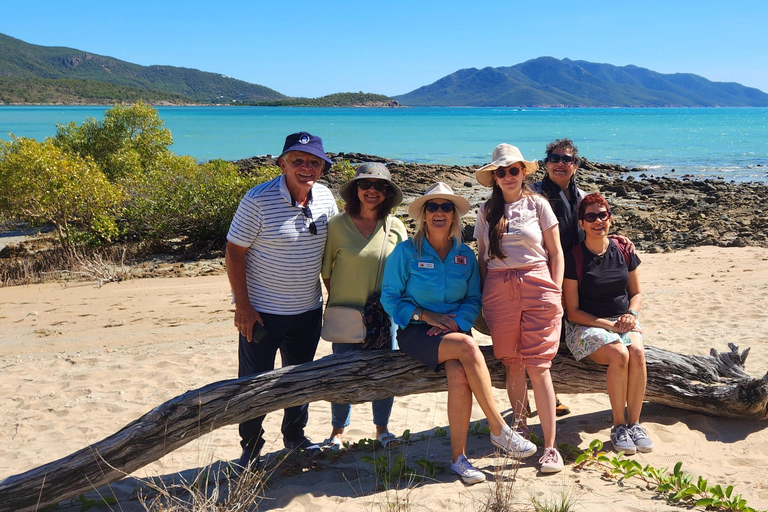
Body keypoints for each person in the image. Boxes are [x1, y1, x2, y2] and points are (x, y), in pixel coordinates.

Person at [381, 182, 537, 485]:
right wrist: (425, 315)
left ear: (454, 216)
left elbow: (473, 299)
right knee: (467, 347)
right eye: (433, 207)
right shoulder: (404, 252)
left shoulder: (465, 254)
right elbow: (390, 297)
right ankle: (498, 429)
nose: (439, 212)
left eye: (446, 207)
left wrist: (457, 321)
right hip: (416, 332)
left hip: (455, 332)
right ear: (423, 215)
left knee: (459, 377)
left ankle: (459, 460)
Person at [226, 131, 338, 468]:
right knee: (253, 384)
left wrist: (334, 297)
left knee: (299, 379)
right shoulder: (257, 200)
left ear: (322, 167)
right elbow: (234, 252)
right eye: (298, 160)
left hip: (307, 310)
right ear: (282, 163)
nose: (306, 167)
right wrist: (243, 307)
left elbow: (328, 255)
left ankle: (294, 437)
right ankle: (251, 446)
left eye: (314, 162)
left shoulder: (325, 199)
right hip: (262, 313)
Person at [474, 144, 565, 474]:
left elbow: (556, 253)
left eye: (514, 169)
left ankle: (551, 447)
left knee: (539, 365)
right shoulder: (486, 211)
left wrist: (555, 290)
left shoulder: (538, 204)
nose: (508, 176)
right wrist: (484, 297)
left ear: (524, 172)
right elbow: (483, 258)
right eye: (502, 171)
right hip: (499, 289)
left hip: (538, 284)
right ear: (494, 178)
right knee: (512, 362)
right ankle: (521, 429)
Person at [321, 163, 407, 450]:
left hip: (384, 316)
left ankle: (382, 429)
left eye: (380, 186)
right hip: (346, 313)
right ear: (355, 189)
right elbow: (327, 272)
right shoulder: (337, 224)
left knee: (383, 372)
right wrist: (344, 302)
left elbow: (404, 272)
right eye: (365, 184)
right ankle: (337, 431)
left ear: (388, 193)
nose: (372, 190)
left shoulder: (395, 226)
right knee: (341, 373)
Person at [562, 193, 653, 454]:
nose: (597, 221)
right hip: (586, 325)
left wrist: (631, 315)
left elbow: (636, 293)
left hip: (622, 321)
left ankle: (635, 424)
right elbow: (573, 311)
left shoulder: (624, 250)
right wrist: (608, 326)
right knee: (618, 353)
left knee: (636, 352)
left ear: (610, 219)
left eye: (602, 215)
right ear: (581, 224)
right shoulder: (575, 257)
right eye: (590, 217)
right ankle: (618, 425)